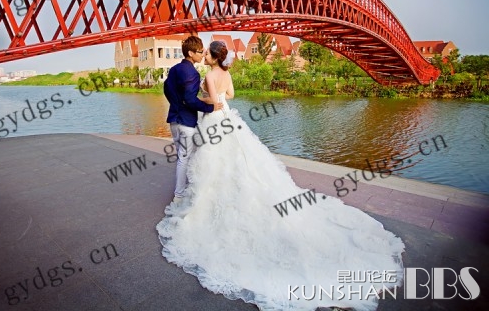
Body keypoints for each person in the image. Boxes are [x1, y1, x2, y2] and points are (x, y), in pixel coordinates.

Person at [157, 40, 405, 311]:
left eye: (207, 53)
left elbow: (212, 102)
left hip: (214, 120)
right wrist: (216, 101)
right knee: (242, 162)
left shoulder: (208, 75)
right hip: (229, 119)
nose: (204, 55)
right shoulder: (226, 73)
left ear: (213, 58)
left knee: (212, 163)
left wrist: (205, 101)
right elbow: (231, 95)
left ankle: (202, 200)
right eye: (201, 52)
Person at [163, 36, 223, 202]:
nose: (202, 54)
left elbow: (166, 89)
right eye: (200, 51)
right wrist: (210, 108)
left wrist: (176, 103)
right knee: (184, 158)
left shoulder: (174, 69)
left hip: (174, 120)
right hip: (186, 122)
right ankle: (179, 195)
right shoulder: (192, 73)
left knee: (183, 156)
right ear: (190, 53)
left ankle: (187, 188)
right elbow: (190, 100)